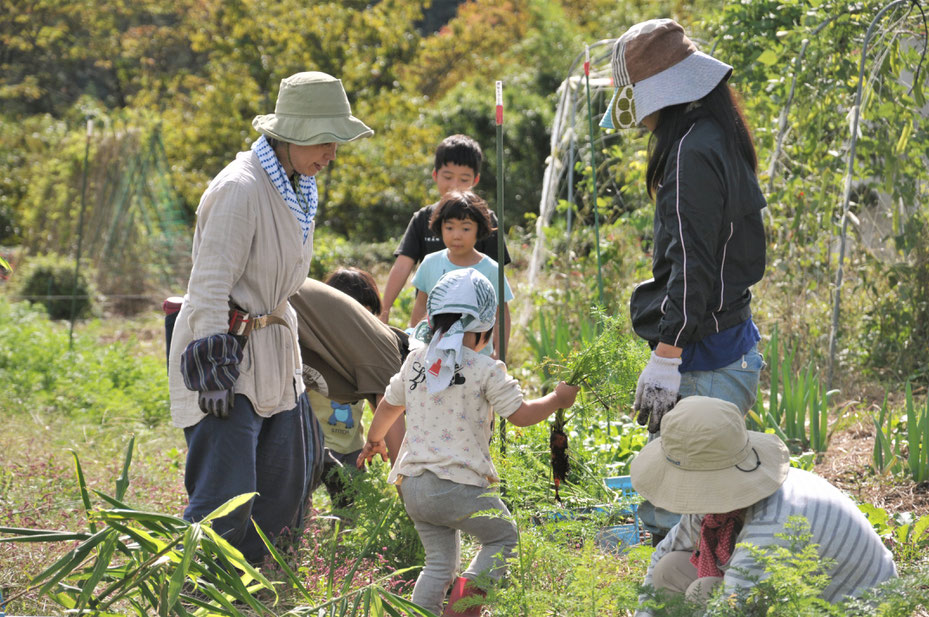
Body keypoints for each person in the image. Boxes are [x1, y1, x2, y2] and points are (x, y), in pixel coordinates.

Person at [167, 71, 372, 564]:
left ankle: (255, 588)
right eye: (325, 140)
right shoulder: (240, 189)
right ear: (294, 134)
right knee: (227, 498)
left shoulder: (299, 186)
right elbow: (210, 285)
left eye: (335, 143)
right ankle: (196, 586)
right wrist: (214, 367)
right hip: (227, 356)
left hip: (277, 353)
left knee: (286, 484)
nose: (331, 154)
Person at [600, 18, 768, 542]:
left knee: (685, 515)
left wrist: (666, 355)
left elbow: (694, 265)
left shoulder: (692, 151)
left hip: (705, 354)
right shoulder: (715, 134)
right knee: (699, 497)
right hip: (727, 339)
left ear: (663, 95)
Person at [357, 269, 579, 617]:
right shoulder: (485, 369)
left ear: (433, 322)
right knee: (503, 537)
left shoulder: (415, 362)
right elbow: (520, 414)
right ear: (484, 329)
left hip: (414, 487)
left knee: (439, 565)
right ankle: (463, 611)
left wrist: (374, 440)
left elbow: (388, 407)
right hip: (456, 484)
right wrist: (557, 398)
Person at [629, 396, 897, 616]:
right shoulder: (717, 504)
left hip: (851, 608)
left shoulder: (772, 522)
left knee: (705, 593)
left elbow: (732, 605)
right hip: (790, 589)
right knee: (670, 568)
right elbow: (664, 551)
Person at [379, 134, 511, 325]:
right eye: (448, 177)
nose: (454, 185)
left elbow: (497, 278)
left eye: (464, 179)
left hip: (475, 327)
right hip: (431, 325)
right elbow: (402, 266)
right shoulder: (423, 218)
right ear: (435, 175)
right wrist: (384, 309)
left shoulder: (486, 219)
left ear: (476, 179)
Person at [289, 275, 409, 464]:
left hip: (349, 448)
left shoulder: (332, 343)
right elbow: (401, 461)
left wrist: (378, 436)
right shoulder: (384, 354)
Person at [306, 268, 384, 511]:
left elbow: (380, 402)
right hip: (314, 446)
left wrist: (379, 440)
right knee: (298, 502)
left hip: (352, 448)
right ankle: (297, 540)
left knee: (349, 506)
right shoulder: (313, 347)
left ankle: (341, 546)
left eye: (364, 315)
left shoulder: (369, 353)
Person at [408, 190, 513, 359]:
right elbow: (421, 305)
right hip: (434, 355)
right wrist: (415, 347)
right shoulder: (430, 263)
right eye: (449, 227)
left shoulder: (492, 269)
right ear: (439, 227)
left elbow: (502, 315)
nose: (456, 236)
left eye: (465, 228)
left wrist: (499, 354)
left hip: (477, 359)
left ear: (478, 229)